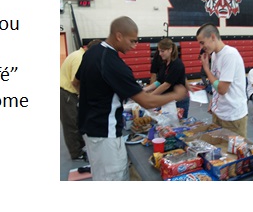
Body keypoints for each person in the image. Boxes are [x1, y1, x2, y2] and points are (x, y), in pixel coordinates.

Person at [73, 16, 188, 181]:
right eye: (132, 41)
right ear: (119, 36)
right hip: (105, 133)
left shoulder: (92, 51)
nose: (134, 46)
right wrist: (176, 95)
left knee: (100, 174)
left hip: (89, 129)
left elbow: (76, 82)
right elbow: (146, 101)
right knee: (114, 177)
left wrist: (92, 102)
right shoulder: (113, 63)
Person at [196, 23, 248, 137]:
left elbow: (222, 89)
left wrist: (206, 69)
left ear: (213, 37)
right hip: (218, 113)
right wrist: (214, 102)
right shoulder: (214, 54)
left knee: (234, 152)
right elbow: (217, 81)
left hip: (232, 117)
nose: (201, 47)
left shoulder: (230, 55)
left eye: (202, 43)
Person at [60, 39, 102, 161]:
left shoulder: (80, 54)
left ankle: (81, 147)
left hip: (69, 93)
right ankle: (76, 153)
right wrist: (85, 98)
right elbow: (76, 82)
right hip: (67, 94)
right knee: (71, 125)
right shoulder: (80, 58)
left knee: (77, 122)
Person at [142, 38, 190, 119]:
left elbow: (166, 85)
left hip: (179, 100)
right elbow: (159, 81)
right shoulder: (164, 63)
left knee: (178, 125)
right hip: (169, 100)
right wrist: (145, 90)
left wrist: (150, 96)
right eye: (159, 51)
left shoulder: (177, 64)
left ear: (170, 50)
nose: (160, 54)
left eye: (162, 51)